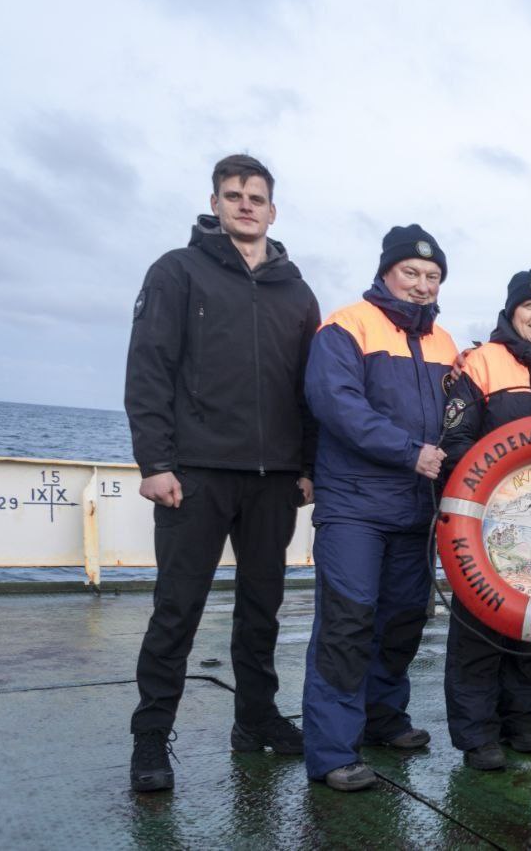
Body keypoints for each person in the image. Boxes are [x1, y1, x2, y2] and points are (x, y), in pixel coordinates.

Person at [125, 154, 320, 793]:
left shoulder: (298, 291)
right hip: (197, 474)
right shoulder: (176, 272)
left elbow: (308, 388)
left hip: (272, 481)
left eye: (255, 197)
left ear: (272, 209)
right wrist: (155, 463)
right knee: (176, 610)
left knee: (261, 611)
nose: (244, 205)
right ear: (214, 203)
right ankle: (151, 737)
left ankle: (255, 719)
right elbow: (149, 369)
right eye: (232, 195)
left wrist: (308, 465)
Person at [300, 225, 457, 791]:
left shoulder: (445, 343)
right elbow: (334, 404)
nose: (420, 285)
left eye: (432, 277)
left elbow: (456, 421)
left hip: (416, 510)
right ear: (386, 273)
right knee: (346, 624)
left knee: (402, 621)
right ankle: (332, 751)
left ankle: (383, 718)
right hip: (354, 506)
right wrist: (407, 451)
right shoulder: (346, 327)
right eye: (410, 274)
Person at [438, 270, 531, 771]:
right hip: (486, 522)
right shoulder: (482, 362)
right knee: (478, 628)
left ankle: (521, 722)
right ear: (512, 311)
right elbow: (455, 441)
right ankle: (476, 735)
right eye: (530, 307)